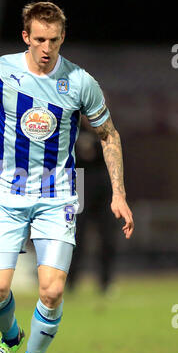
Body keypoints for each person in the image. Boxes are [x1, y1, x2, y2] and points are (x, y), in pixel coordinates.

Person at [0, 1, 134, 353]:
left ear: (63, 38)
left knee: (53, 289)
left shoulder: (79, 82)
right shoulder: (2, 71)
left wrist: (119, 194)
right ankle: (11, 337)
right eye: (39, 39)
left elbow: (110, 135)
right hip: (6, 197)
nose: (46, 48)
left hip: (57, 197)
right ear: (26, 36)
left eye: (54, 40)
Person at [66, 116, 118, 293]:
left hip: (103, 185)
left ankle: (106, 281)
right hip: (80, 183)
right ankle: (70, 281)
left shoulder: (107, 130)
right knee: (76, 235)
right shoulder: (72, 129)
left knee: (107, 235)